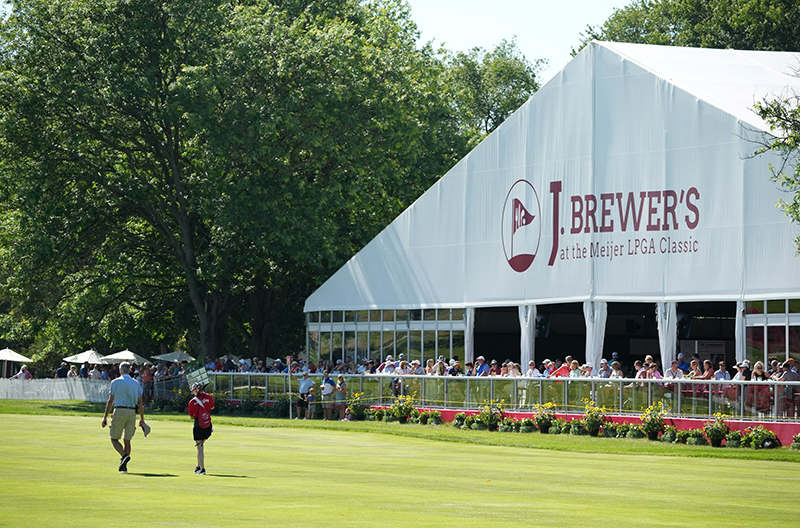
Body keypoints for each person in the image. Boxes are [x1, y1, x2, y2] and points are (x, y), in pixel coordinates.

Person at [101, 362, 144, 473]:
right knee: (127, 440)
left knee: (114, 439)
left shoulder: (115, 382)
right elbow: (140, 403)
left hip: (119, 410)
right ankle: (123, 465)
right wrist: (142, 418)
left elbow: (110, 400)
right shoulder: (136, 383)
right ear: (130, 370)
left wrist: (105, 417)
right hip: (132, 413)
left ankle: (124, 456)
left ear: (120, 371)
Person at [188, 382, 214, 475]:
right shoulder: (208, 397)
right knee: (201, 446)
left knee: (200, 448)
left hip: (198, 425)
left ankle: (202, 469)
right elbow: (212, 407)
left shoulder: (192, 402)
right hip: (207, 425)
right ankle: (198, 466)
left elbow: (192, 416)